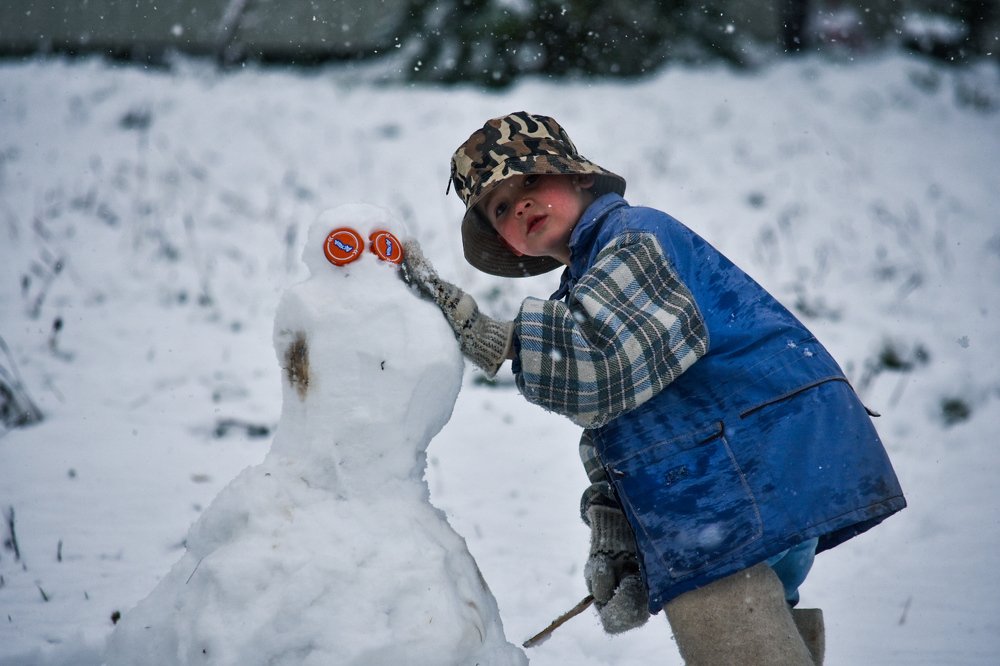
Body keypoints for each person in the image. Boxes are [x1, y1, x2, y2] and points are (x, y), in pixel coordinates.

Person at [399, 111, 906, 664]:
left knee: (723, 610)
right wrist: (616, 527)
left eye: (531, 179)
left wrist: (498, 338)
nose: (519, 202)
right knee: (763, 618)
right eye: (500, 207)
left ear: (580, 178)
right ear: (508, 243)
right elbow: (620, 415)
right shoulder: (591, 283)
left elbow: (600, 365)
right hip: (752, 460)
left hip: (750, 462)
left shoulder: (635, 237)